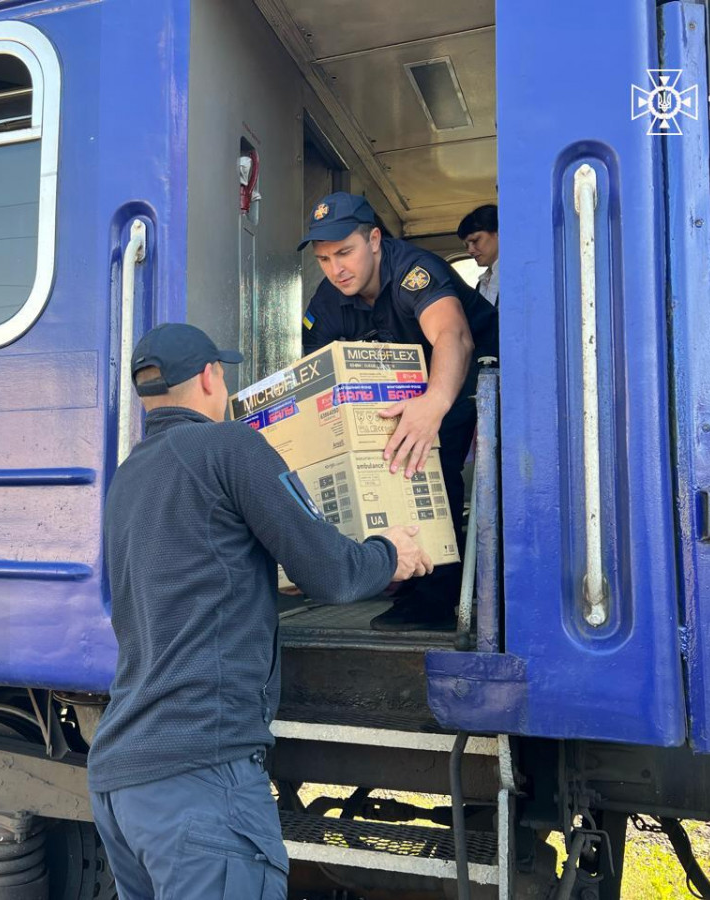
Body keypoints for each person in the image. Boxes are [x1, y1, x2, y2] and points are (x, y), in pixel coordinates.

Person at [87, 322, 432, 900]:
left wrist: (262, 581)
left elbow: (182, 583)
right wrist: (390, 553)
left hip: (122, 782)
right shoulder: (229, 445)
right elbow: (333, 573)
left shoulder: (129, 476)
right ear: (210, 377)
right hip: (199, 776)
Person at [298, 192, 498, 631]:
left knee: (434, 467)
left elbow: (454, 336)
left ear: (374, 240)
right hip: (408, 384)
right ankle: (405, 575)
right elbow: (319, 378)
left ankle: (437, 600)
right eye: (324, 259)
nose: (336, 269)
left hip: (476, 371)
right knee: (388, 461)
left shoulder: (413, 271)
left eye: (345, 253)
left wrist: (434, 404)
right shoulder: (327, 303)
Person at [458, 204, 499, 307]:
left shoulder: (520, 275)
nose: (470, 251)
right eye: (467, 246)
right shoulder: (482, 283)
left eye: (475, 240)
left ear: (498, 233)